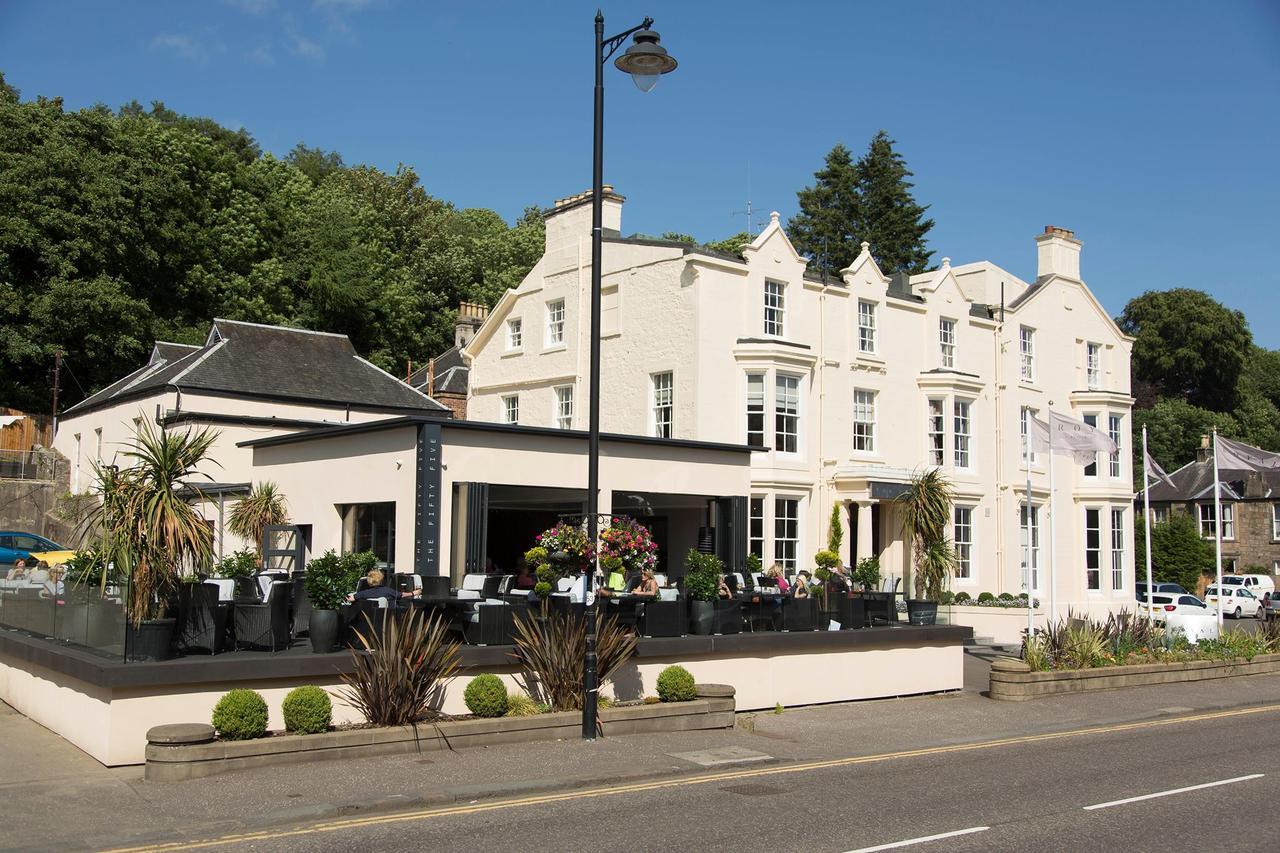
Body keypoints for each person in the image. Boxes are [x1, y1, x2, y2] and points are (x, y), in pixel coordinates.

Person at [346, 569, 412, 604]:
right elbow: (401, 595)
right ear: (381, 579)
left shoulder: (363, 593)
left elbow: (351, 598)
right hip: (386, 618)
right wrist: (413, 593)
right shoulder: (387, 591)